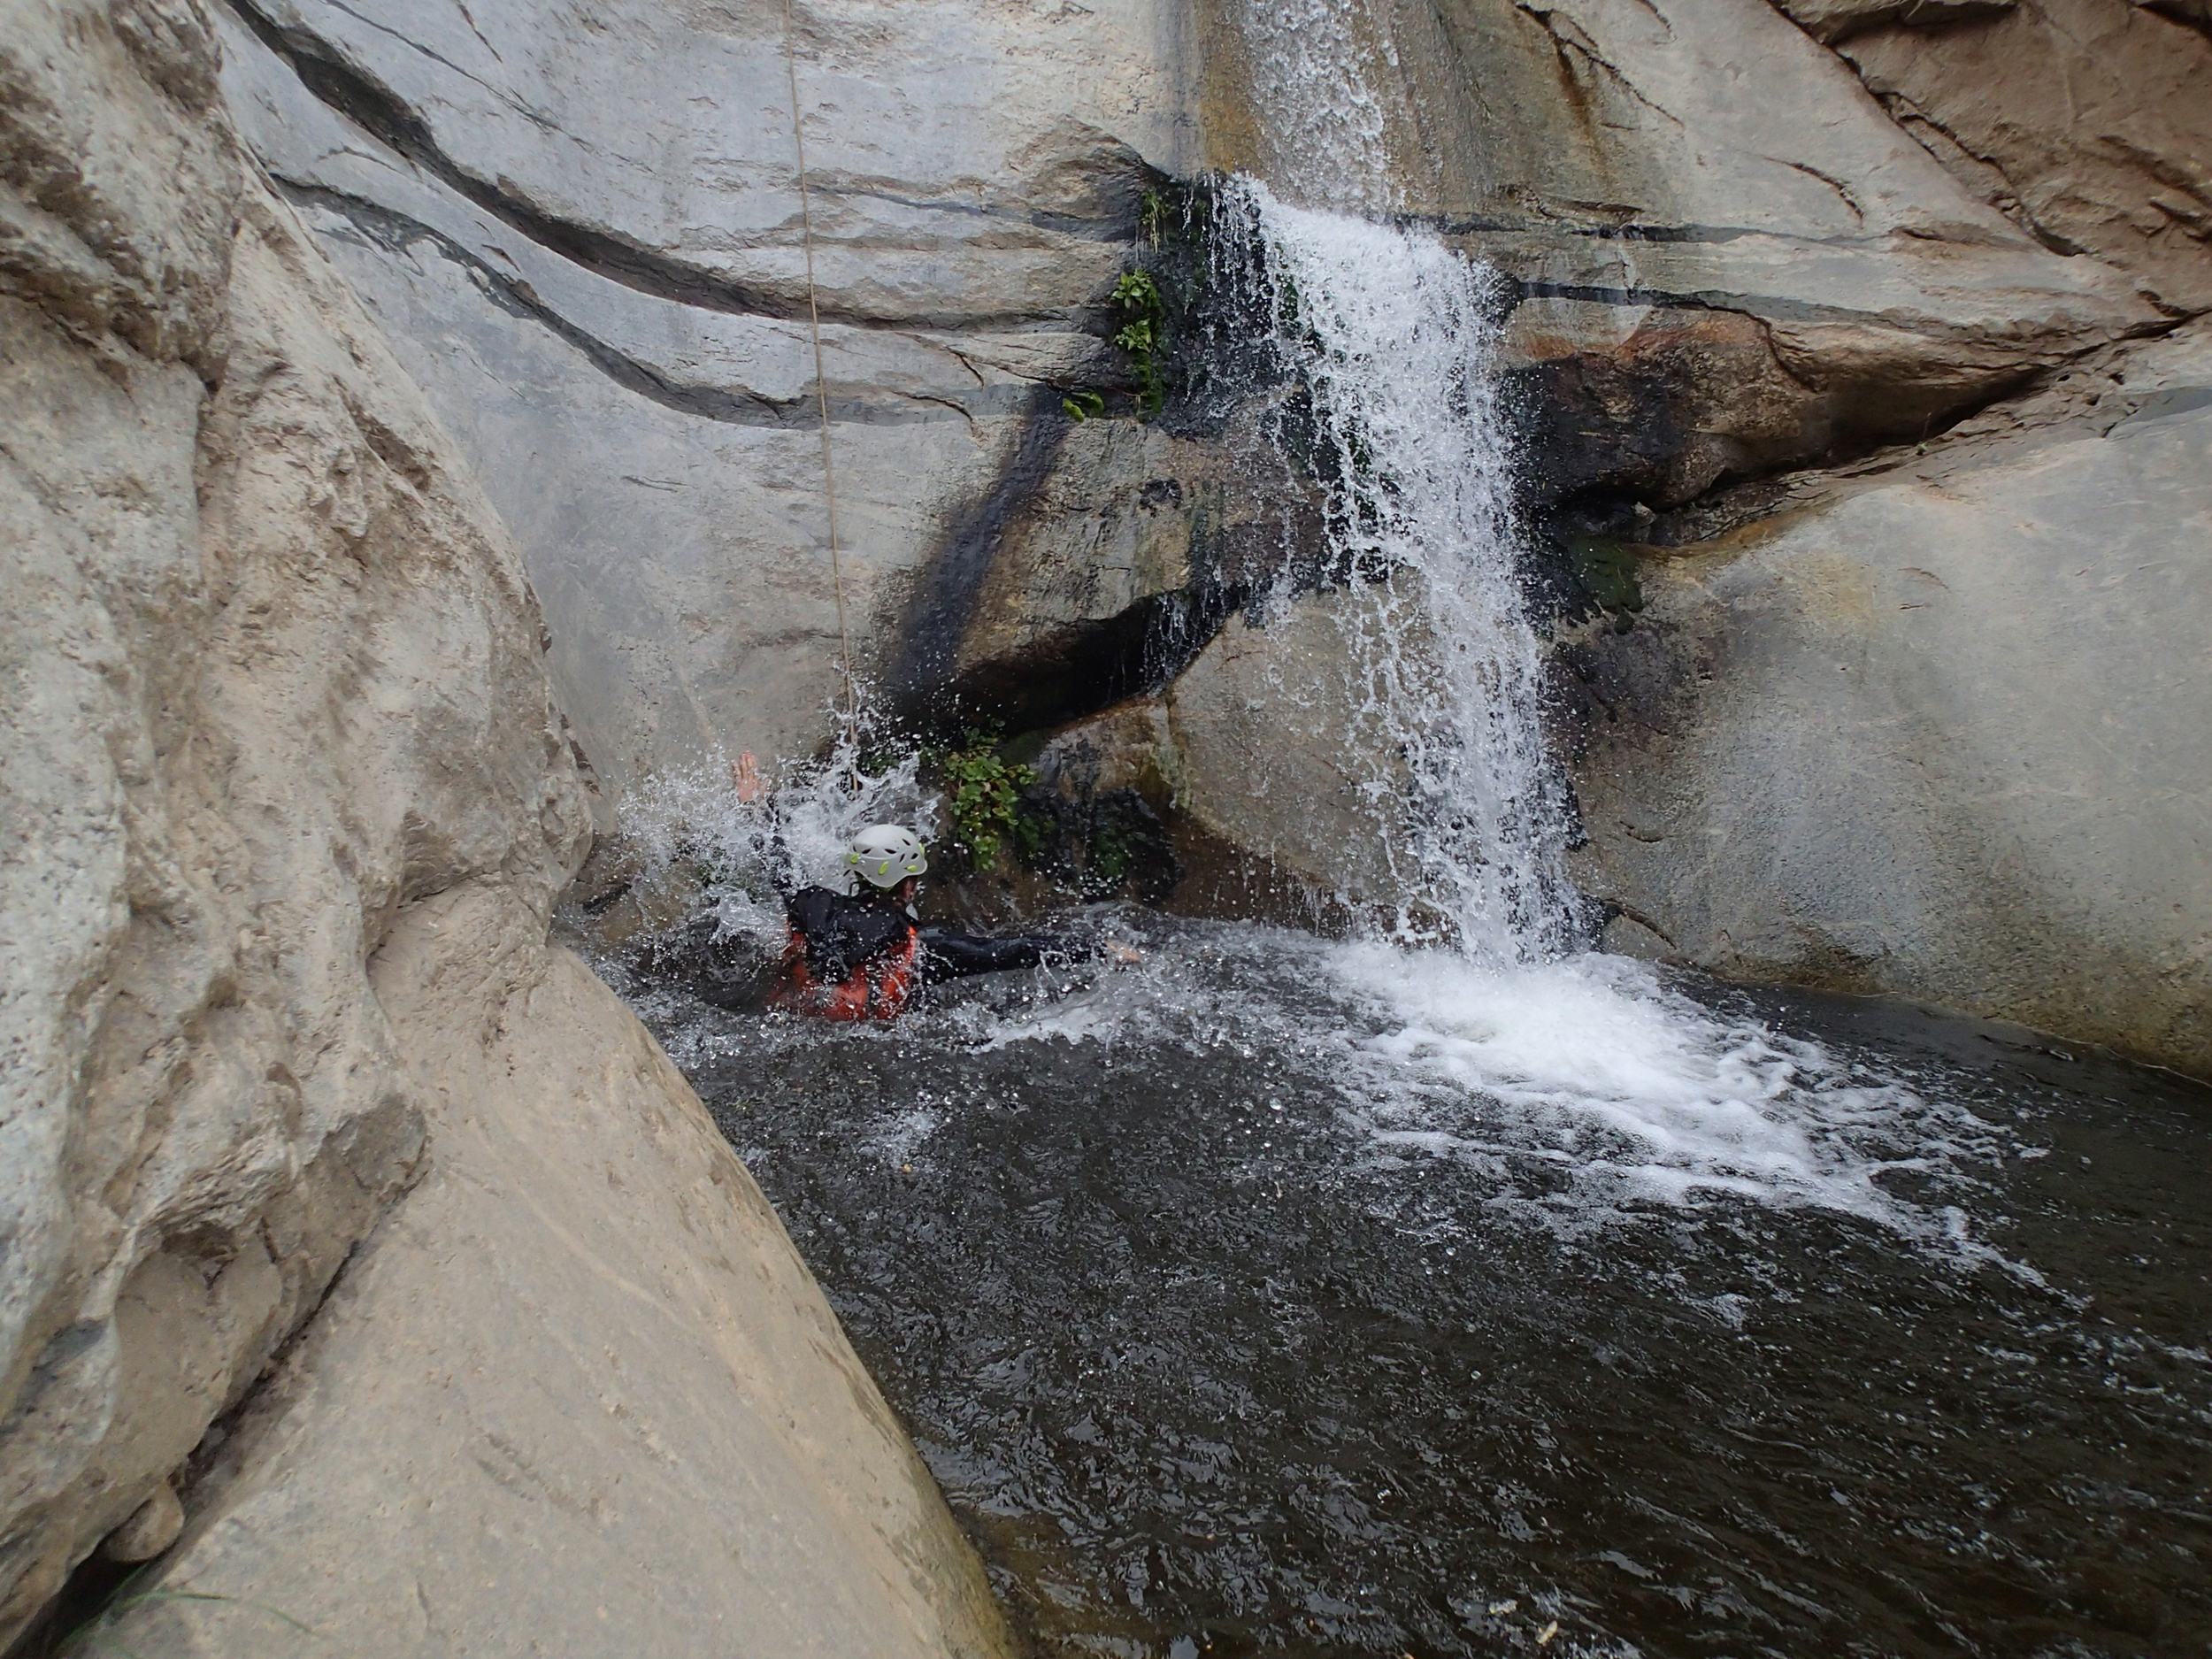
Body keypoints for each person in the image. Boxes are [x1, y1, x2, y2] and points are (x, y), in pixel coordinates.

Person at [732, 753, 1137, 1023]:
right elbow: (1008, 951)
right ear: (909, 885)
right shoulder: (926, 947)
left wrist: (757, 807)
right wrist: (1100, 948)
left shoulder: (812, 905)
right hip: (868, 1039)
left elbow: (778, 863)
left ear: (858, 874)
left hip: (791, 1020)